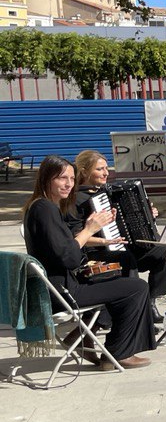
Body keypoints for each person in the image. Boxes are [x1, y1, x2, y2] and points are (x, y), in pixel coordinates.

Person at [22, 156, 154, 369]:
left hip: (56, 286)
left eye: (72, 178)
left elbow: (62, 251)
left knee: (117, 272)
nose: (68, 184)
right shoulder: (45, 209)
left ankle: (83, 336)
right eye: (61, 178)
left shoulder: (40, 207)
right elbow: (69, 257)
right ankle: (119, 353)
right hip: (63, 291)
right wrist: (89, 229)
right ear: (47, 178)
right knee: (137, 287)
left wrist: (99, 233)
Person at [69, 150, 166, 314]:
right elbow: (76, 238)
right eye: (99, 169)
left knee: (163, 253)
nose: (106, 173)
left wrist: (148, 215)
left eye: (106, 168)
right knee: (126, 258)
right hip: (95, 253)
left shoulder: (107, 191)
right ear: (84, 171)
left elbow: (127, 221)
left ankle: (150, 302)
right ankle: (133, 309)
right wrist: (105, 241)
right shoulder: (75, 199)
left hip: (120, 246)